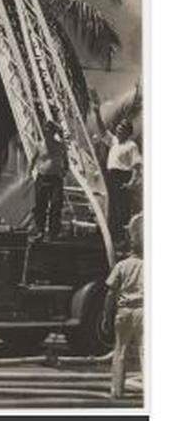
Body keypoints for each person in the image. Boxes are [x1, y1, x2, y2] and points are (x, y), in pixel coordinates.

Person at [104, 214, 143, 399]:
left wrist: (106, 316)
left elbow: (110, 292)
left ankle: (117, 391)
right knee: (145, 351)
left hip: (124, 312)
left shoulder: (121, 266)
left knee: (120, 351)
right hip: (143, 312)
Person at [102, 119, 142, 248]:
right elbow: (103, 131)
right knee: (112, 207)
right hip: (111, 176)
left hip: (122, 177)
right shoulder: (114, 141)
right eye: (118, 127)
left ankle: (122, 239)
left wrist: (131, 183)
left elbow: (136, 166)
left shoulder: (131, 145)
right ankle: (112, 239)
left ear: (128, 132)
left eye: (122, 128)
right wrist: (96, 113)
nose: (119, 129)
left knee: (122, 208)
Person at [30, 120, 67, 240]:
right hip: (42, 177)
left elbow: (66, 161)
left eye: (50, 130)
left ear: (53, 132)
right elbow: (32, 161)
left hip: (55, 178)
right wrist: (29, 174)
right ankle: (40, 230)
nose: (48, 132)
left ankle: (53, 232)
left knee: (56, 205)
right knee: (40, 205)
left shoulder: (60, 145)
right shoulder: (39, 145)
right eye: (46, 130)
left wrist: (64, 172)